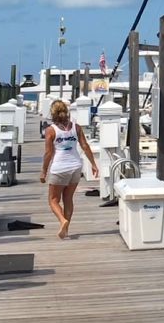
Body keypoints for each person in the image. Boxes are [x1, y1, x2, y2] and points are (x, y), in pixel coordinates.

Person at [40, 99, 99, 239]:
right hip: (76, 167)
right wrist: (93, 164)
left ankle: (62, 220)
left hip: (59, 168)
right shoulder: (76, 127)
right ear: (66, 112)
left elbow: (48, 153)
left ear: (52, 113)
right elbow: (85, 146)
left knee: (53, 199)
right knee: (68, 198)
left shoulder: (50, 130)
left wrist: (44, 171)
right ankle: (65, 229)